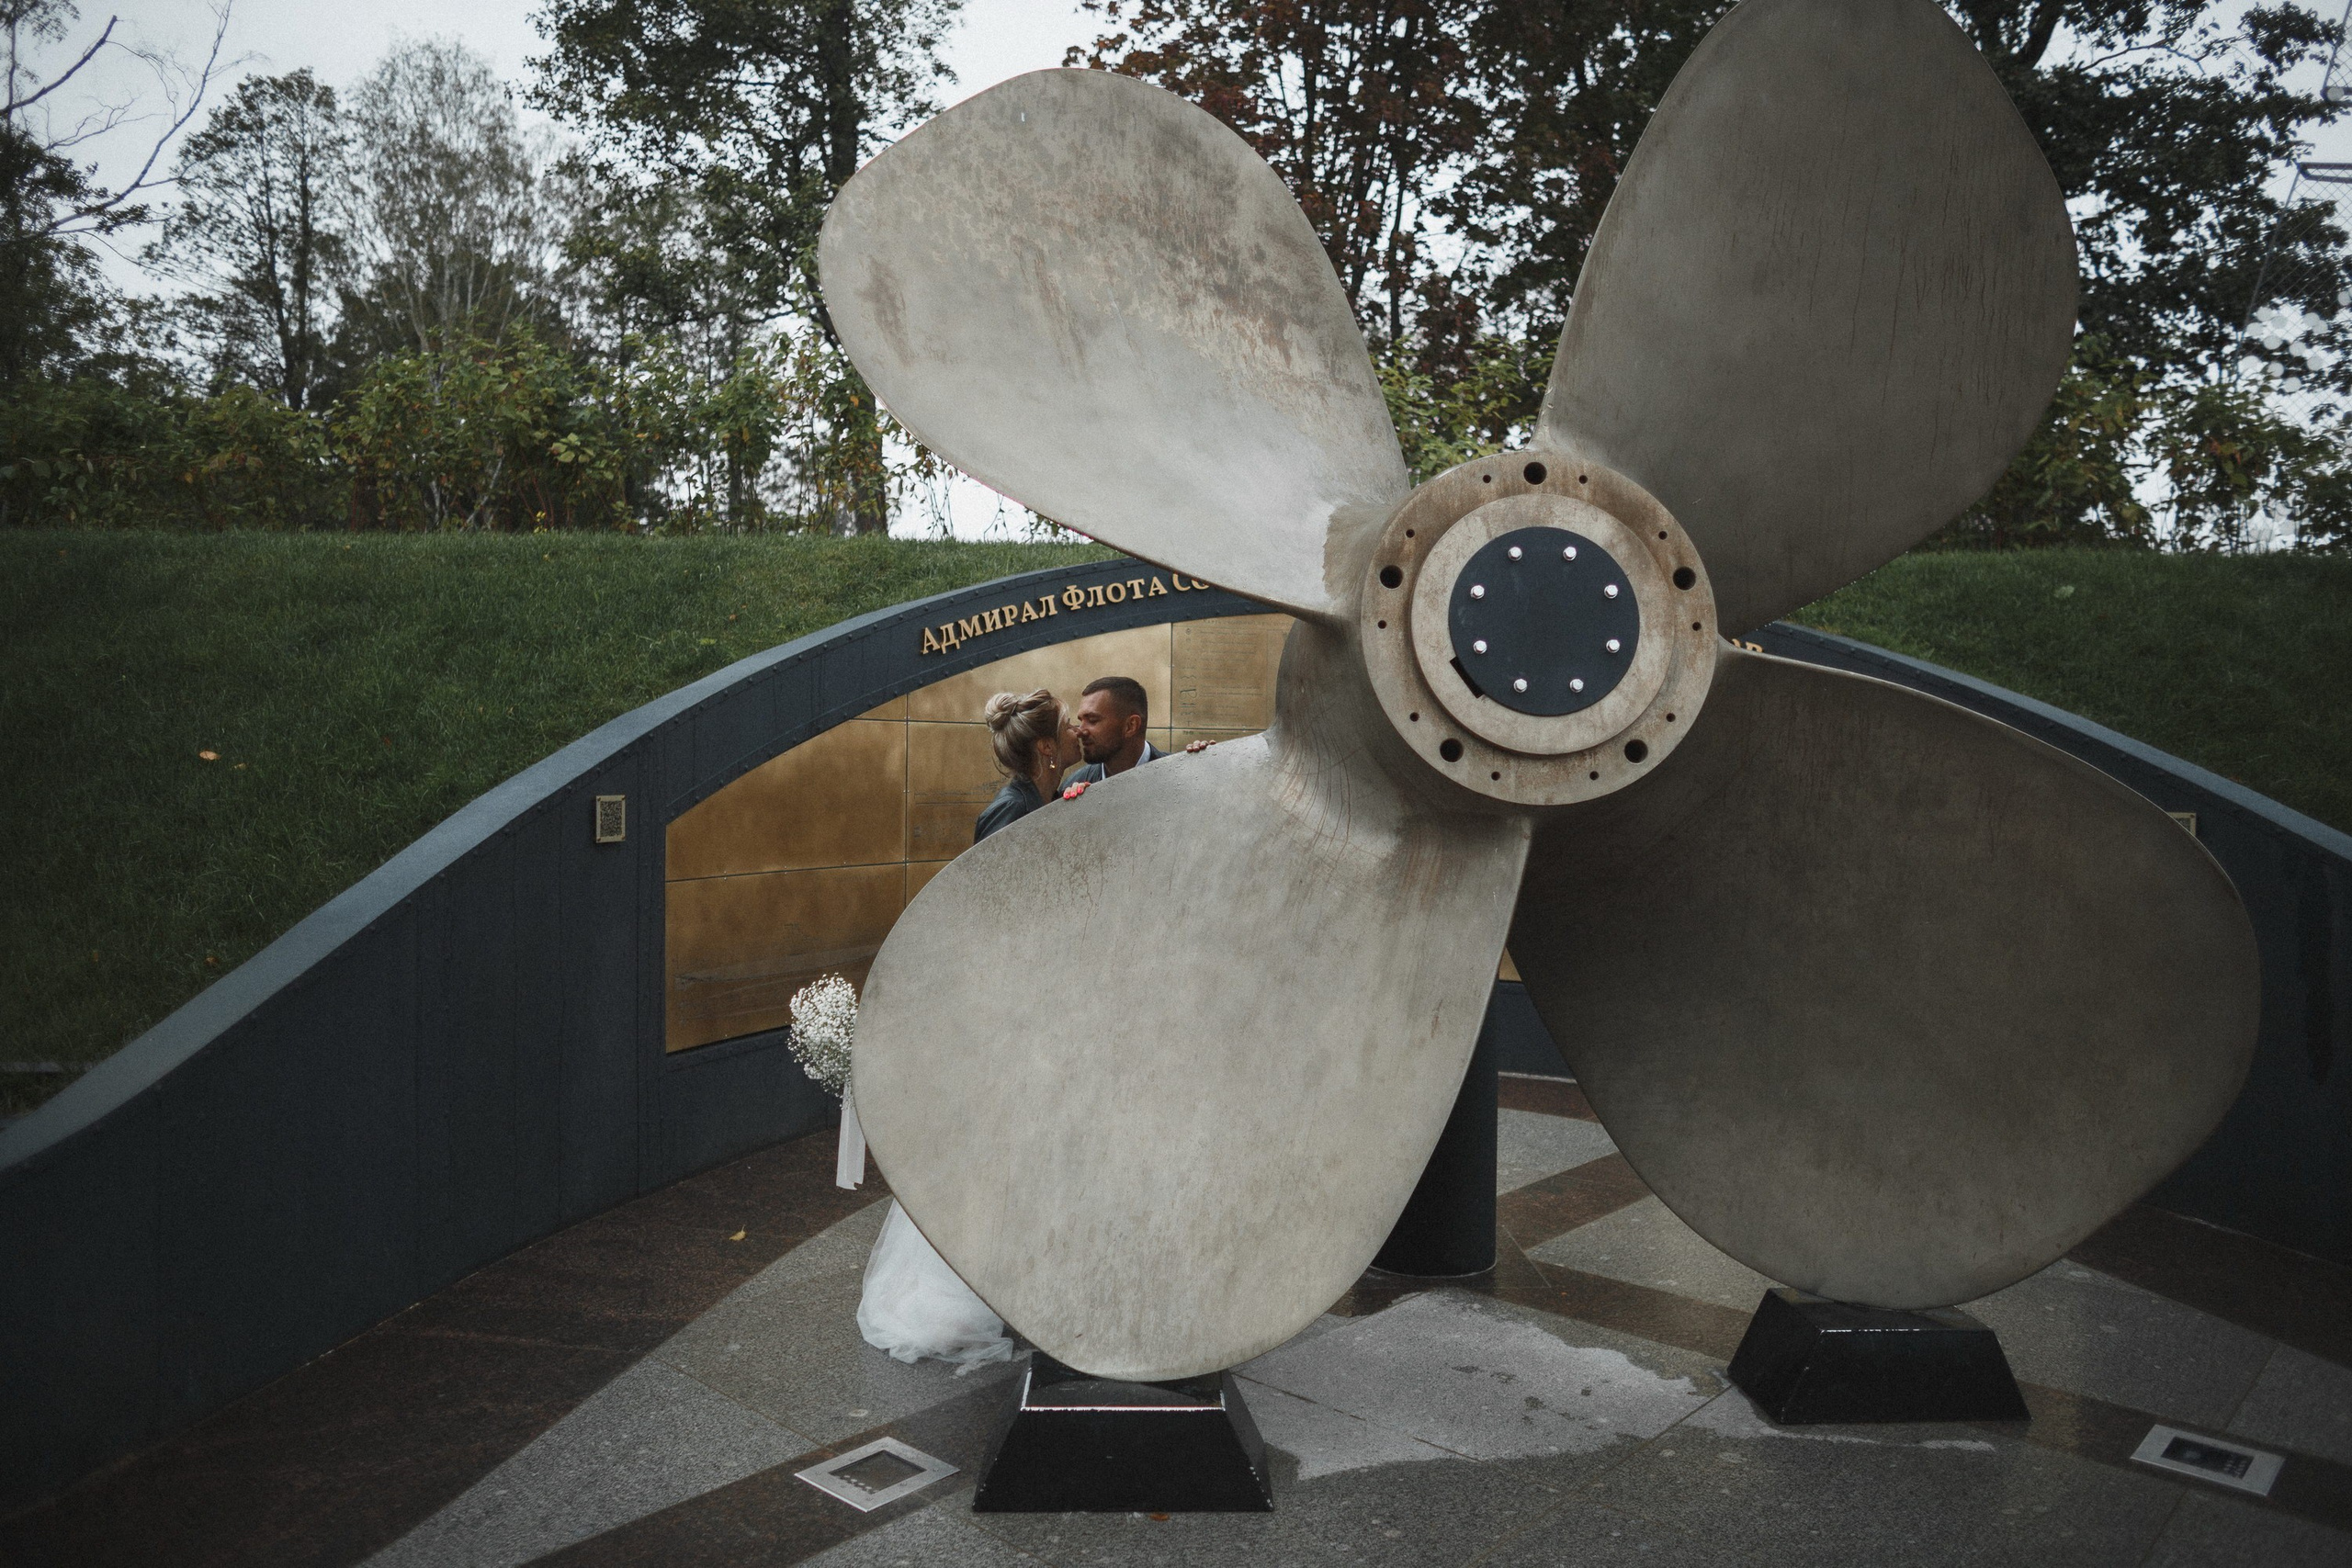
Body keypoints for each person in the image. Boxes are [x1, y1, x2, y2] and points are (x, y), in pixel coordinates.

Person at [855, 687, 1076, 1372]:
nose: (1075, 734)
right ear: (1045, 748)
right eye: (1068, 726)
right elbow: (999, 925)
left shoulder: (1036, 805)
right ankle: (988, 1287)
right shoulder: (1008, 815)